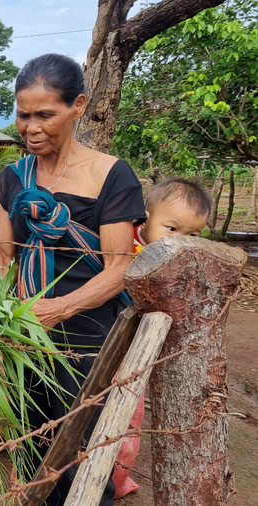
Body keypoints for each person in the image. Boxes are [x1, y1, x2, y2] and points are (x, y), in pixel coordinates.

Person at [0, 53, 146, 505]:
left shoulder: (111, 176)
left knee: (82, 449)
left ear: (77, 106)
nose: (31, 127)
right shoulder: (10, 179)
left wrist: (58, 309)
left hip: (89, 335)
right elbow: (5, 261)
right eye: (23, 115)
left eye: (45, 115)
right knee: (28, 441)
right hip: (25, 335)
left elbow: (120, 267)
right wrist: (3, 317)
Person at [113, 177, 211, 497]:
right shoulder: (119, 241)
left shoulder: (187, 261)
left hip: (140, 353)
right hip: (101, 341)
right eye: (171, 229)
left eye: (192, 235)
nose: (179, 241)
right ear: (145, 218)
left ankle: (114, 481)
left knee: (129, 417)